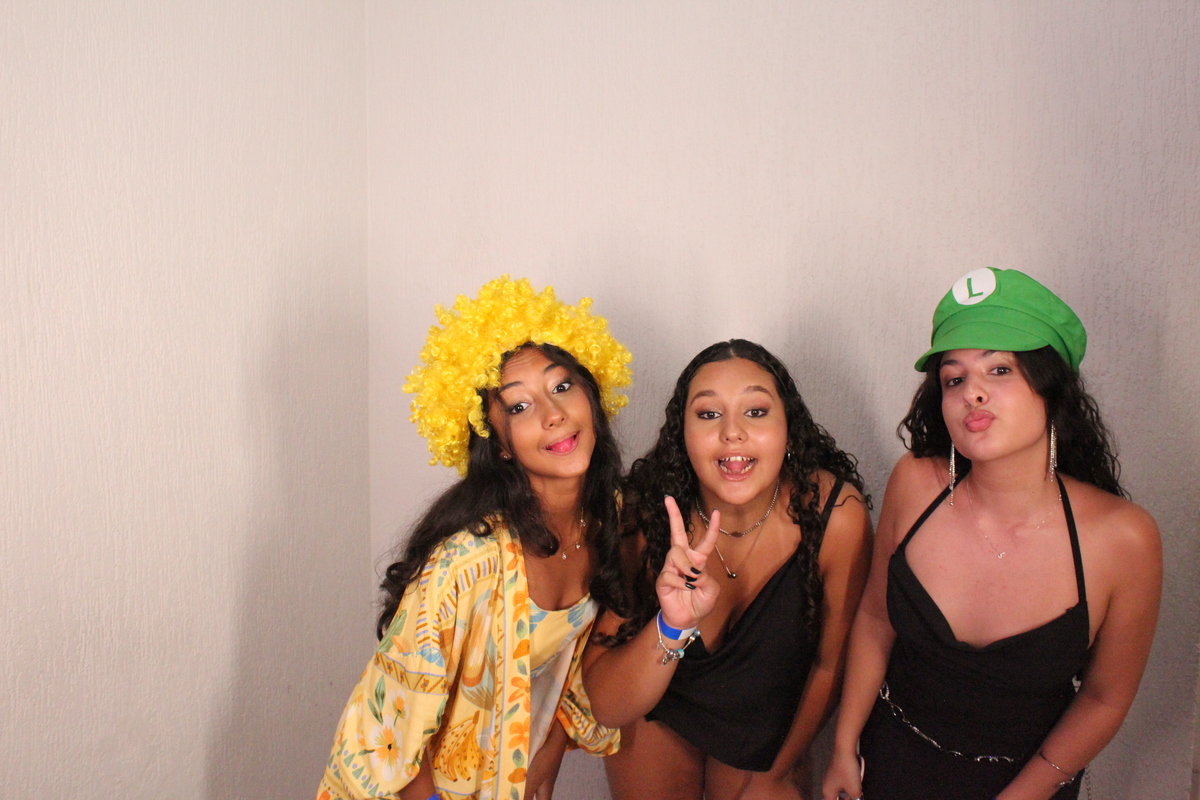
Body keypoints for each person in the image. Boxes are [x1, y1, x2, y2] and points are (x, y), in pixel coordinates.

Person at [822, 268, 1162, 800]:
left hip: (1025, 785)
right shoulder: (915, 483)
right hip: (888, 766)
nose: (973, 393)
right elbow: (874, 617)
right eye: (953, 379)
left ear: (1051, 387)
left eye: (999, 369)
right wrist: (844, 746)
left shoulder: (1124, 538)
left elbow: (1104, 699)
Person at [316, 276, 633, 800]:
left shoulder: (609, 518)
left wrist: (553, 745)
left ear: (592, 394)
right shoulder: (466, 563)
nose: (553, 415)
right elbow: (389, 728)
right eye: (519, 407)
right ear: (499, 444)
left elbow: (579, 663)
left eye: (561, 387)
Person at [584, 339, 872, 800]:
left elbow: (830, 664)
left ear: (788, 426)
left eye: (755, 412)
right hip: (661, 712)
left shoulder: (835, 515)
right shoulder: (647, 516)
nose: (732, 433)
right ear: (682, 434)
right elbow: (607, 705)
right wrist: (672, 625)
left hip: (766, 729)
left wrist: (775, 772)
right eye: (708, 413)